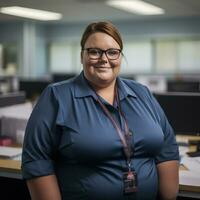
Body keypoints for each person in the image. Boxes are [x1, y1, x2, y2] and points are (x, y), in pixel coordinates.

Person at [22, 21, 179, 200]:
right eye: (94, 51)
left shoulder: (142, 93)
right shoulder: (57, 96)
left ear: (120, 56)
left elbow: (167, 147)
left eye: (113, 52)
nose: (104, 59)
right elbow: (37, 161)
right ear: (82, 56)